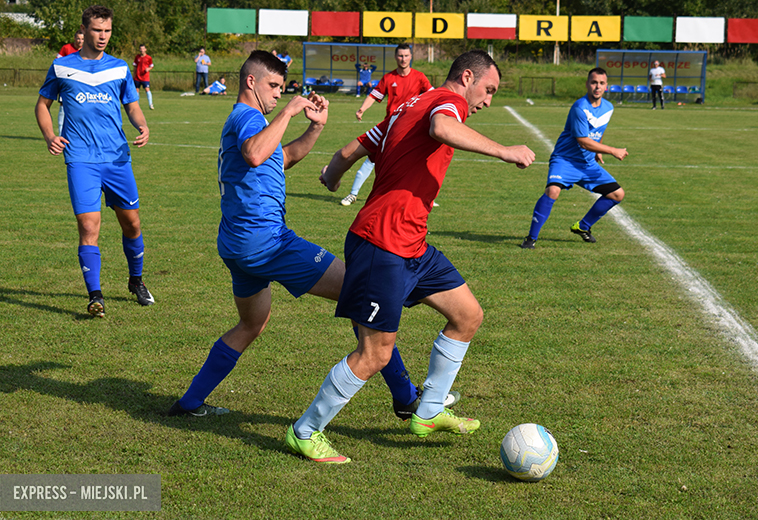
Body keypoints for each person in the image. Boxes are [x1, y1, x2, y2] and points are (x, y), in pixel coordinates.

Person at [167, 50, 453, 421]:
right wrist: (287, 112)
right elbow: (256, 154)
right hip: (267, 242)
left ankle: (188, 403)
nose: (277, 95)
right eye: (273, 87)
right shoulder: (246, 116)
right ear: (250, 82)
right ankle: (405, 397)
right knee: (359, 294)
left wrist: (314, 127)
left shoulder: (252, 123)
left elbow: (280, 157)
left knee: (252, 323)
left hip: (238, 244)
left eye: (282, 89)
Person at [285, 50, 536, 464]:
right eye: (488, 90)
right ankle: (305, 430)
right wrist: (504, 150)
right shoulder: (445, 103)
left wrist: (331, 176)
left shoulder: (407, 107)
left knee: (468, 316)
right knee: (375, 354)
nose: (488, 100)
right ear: (467, 77)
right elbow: (442, 127)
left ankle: (430, 410)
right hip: (381, 243)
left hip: (412, 244)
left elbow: (353, 147)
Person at [34, 5, 154, 317]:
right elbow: (42, 105)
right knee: (89, 225)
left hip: (116, 159)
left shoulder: (119, 67)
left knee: (132, 223)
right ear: (84, 30)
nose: (103, 36)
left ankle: (136, 280)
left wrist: (142, 125)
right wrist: (50, 136)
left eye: (108, 31)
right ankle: (95, 296)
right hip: (81, 159)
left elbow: (132, 105)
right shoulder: (62, 67)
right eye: (97, 30)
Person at [520, 67, 628, 250]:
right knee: (553, 191)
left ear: (606, 86)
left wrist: (598, 150)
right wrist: (612, 150)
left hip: (587, 164)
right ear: (587, 84)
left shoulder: (608, 108)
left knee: (617, 194)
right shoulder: (580, 108)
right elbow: (583, 142)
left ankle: (583, 226)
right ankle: (531, 238)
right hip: (565, 160)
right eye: (594, 82)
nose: (597, 87)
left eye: (601, 83)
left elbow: (597, 131)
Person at [340, 44, 433, 207]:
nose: (403, 59)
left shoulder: (420, 77)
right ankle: (353, 194)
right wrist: (362, 108)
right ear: (396, 57)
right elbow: (374, 95)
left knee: (415, 162)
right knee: (372, 159)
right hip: (390, 128)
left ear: (411, 57)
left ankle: (421, 197)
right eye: (400, 56)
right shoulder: (389, 78)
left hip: (411, 129)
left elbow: (433, 95)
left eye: (406, 56)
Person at [55, 30, 84, 135]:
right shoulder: (66, 48)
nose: (80, 41)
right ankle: (60, 133)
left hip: (81, 84)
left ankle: (78, 133)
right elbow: (57, 63)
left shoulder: (87, 50)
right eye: (78, 38)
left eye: (82, 39)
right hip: (67, 83)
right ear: (74, 38)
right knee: (63, 106)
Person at [133, 44, 154, 110]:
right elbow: (135, 67)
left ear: (145, 49)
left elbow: (151, 65)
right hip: (137, 77)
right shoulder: (137, 57)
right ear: (139, 49)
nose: (142, 50)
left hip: (145, 77)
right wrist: (134, 76)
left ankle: (150, 104)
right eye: (140, 49)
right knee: (136, 90)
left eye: (143, 49)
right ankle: (137, 105)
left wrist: (148, 68)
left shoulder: (148, 57)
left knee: (147, 89)